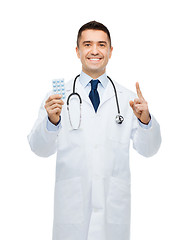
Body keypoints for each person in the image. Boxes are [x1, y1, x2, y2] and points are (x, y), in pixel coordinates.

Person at [28, 21, 161, 240]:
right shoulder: (57, 97)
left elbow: (150, 149)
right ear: (78, 51)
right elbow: (39, 149)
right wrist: (52, 121)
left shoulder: (127, 99)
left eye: (101, 44)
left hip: (112, 210)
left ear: (110, 51)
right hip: (71, 209)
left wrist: (146, 119)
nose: (95, 51)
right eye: (87, 44)